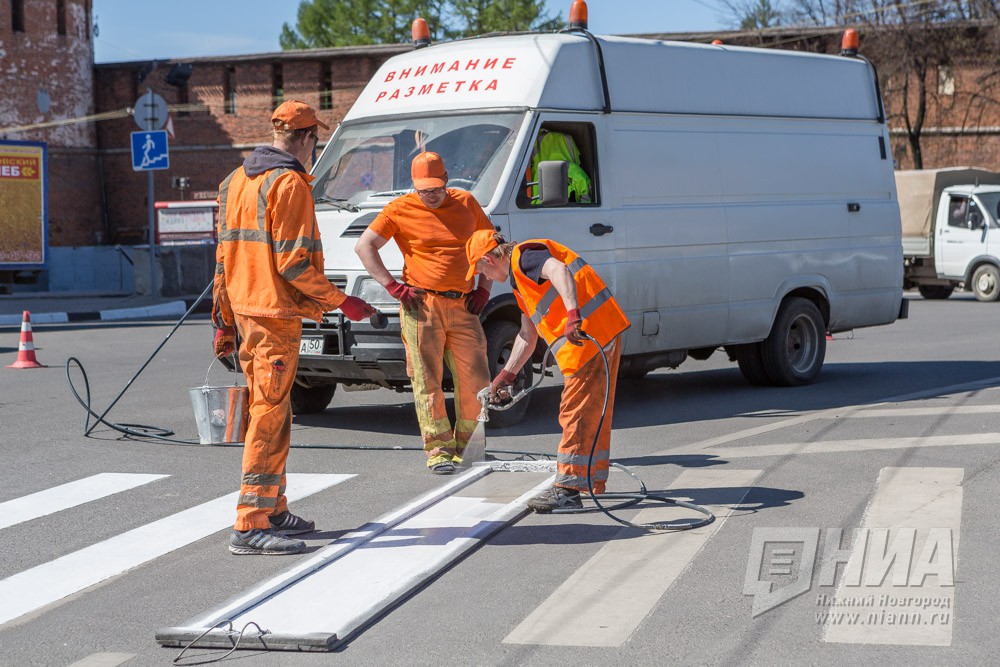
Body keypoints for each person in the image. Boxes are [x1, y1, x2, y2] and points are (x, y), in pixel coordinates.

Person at [212, 99, 375, 555]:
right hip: (274, 315)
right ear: (306, 138)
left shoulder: (233, 182)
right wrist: (344, 302)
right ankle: (250, 523)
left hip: (247, 311)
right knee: (268, 415)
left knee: (274, 412)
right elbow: (293, 264)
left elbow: (222, 258)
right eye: (314, 141)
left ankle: (273, 509)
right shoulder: (289, 184)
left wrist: (222, 319)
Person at [464, 230, 630, 512]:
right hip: (599, 334)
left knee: (575, 412)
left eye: (481, 270)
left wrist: (573, 315)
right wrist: (506, 375)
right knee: (589, 414)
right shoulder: (521, 283)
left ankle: (567, 492)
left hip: (587, 339)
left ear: (489, 259)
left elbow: (558, 269)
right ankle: (586, 480)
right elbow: (527, 336)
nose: (484, 277)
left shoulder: (524, 258)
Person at [355, 152, 494, 475]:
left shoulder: (466, 203)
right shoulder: (399, 209)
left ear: (446, 181)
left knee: (476, 379)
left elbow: (489, 247)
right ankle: (439, 451)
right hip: (422, 306)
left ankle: (470, 449)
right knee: (426, 380)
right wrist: (393, 287)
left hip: (464, 305)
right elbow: (365, 246)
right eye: (423, 190)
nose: (430, 195)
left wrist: (484, 289)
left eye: (435, 189)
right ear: (414, 186)